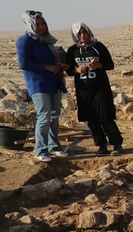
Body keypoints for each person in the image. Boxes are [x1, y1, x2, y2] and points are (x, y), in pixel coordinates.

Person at [17, 10, 68, 163]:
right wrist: (47, 67)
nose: (41, 27)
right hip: (38, 84)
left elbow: (51, 60)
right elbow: (24, 64)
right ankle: (40, 149)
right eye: (37, 24)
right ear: (30, 25)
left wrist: (58, 65)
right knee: (44, 116)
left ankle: (54, 146)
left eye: (43, 24)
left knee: (54, 116)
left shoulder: (46, 41)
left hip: (54, 82)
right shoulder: (24, 41)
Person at [65, 22, 123, 156]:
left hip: (100, 88)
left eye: (84, 32)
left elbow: (110, 65)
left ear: (89, 32)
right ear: (75, 35)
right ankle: (101, 145)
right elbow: (69, 70)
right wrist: (77, 70)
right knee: (91, 118)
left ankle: (116, 144)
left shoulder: (98, 47)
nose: (82, 35)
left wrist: (98, 65)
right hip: (83, 90)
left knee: (105, 116)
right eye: (79, 33)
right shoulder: (72, 50)